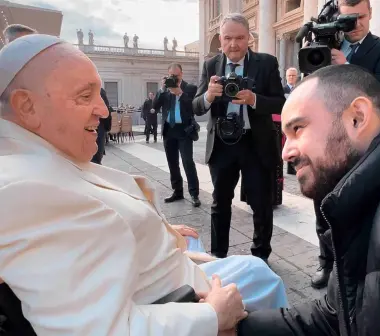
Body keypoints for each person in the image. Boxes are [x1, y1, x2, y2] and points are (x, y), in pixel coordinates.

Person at [0, 34, 288, 336]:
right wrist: (211, 316)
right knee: (259, 274)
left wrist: (153, 232)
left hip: (161, 266)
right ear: (27, 106)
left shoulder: (36, 159)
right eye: (85, 96)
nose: (103, 110)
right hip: (180, 295)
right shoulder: (21, 191)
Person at [233, 64, 380, 336]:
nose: (285, 152)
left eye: (298, 128)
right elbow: (337, 314)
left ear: (357, 117)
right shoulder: (362, 199)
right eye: (285, 137)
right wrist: (235, 327)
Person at [311, 0, 380, 289]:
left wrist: (347, 66)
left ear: (370, 13)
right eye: (348, 19)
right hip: (329, 139)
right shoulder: (326, 46)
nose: (355, 24)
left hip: (366, 144)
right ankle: (327, 262)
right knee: (322, 202)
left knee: (363, 204)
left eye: (360, 17)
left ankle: (361, 264)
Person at [192, 13, 286, 261]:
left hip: (256, 144)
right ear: (221, 40)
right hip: (222, 145)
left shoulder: (267, 63)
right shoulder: (210, 65)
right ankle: (218, 257)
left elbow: (280, 103)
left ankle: (260, 257)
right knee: (219, 203)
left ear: (249, 39)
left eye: (239, 38)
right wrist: (209, 96)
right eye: (228, 38)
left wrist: (254, 100)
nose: (233, 44)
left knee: (261, 204)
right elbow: (196, 106)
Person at [153, 63, 201, 207]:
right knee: (172, 163)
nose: (174, 78)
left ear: (182, 74)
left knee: (188, 162)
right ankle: (177, 192)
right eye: (171, 75)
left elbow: (194, 107)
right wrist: (162, 89)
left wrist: (180, 93)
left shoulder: (190, 88)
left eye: (177, 75)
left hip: (184, 131)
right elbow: (154, 106)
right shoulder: (165, 89)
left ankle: (194, 194)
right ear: (168, 75)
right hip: (169, 130)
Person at [91, 88, 112, 164]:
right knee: (96, 159)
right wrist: (107, 127)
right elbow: (106, 111)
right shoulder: (100, 91)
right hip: (99, 127)